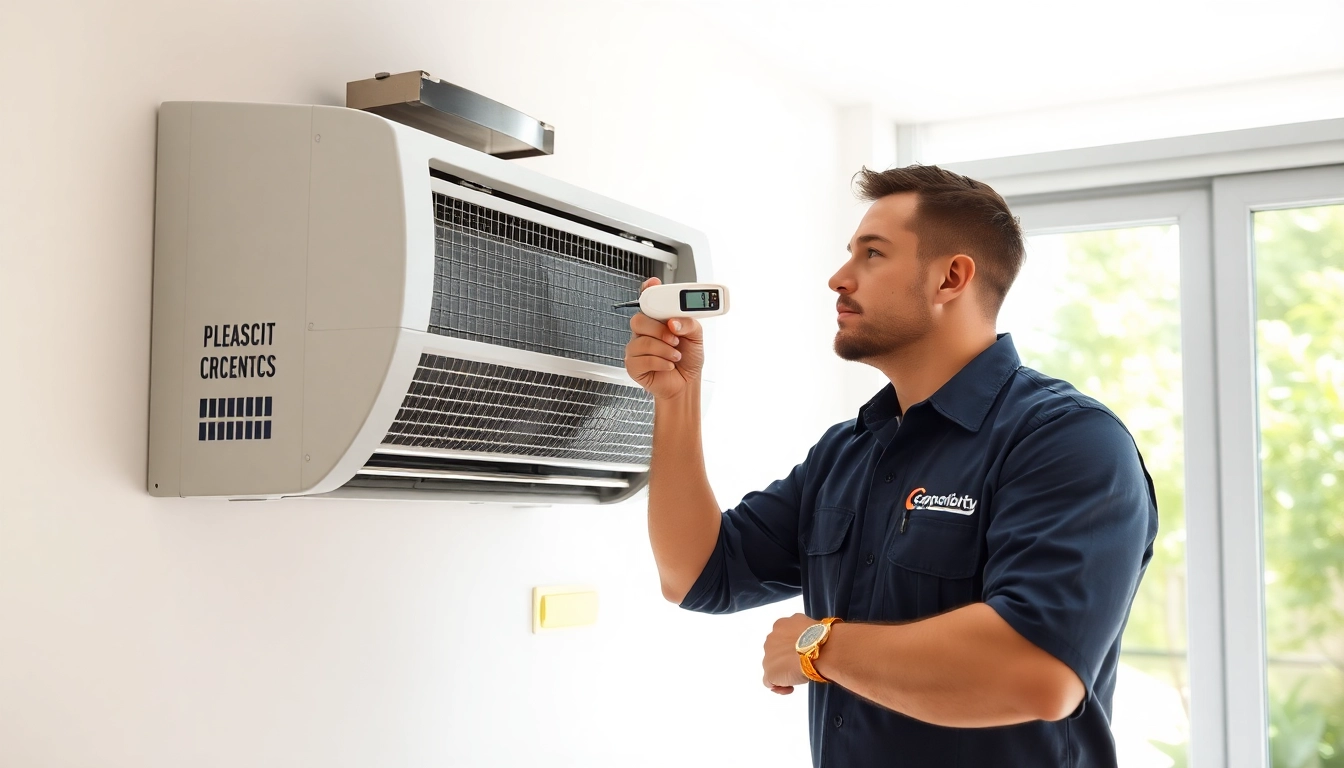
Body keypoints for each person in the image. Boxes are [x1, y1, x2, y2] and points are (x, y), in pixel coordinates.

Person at [623, 164, 1159, 768]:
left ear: (950, 278)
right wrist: (676, 398)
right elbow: (695, 573)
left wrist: (817, 645)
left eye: (872, 254)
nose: (838, 278)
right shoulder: (846, 452)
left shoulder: (1067, 440)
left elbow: (1036, 672)